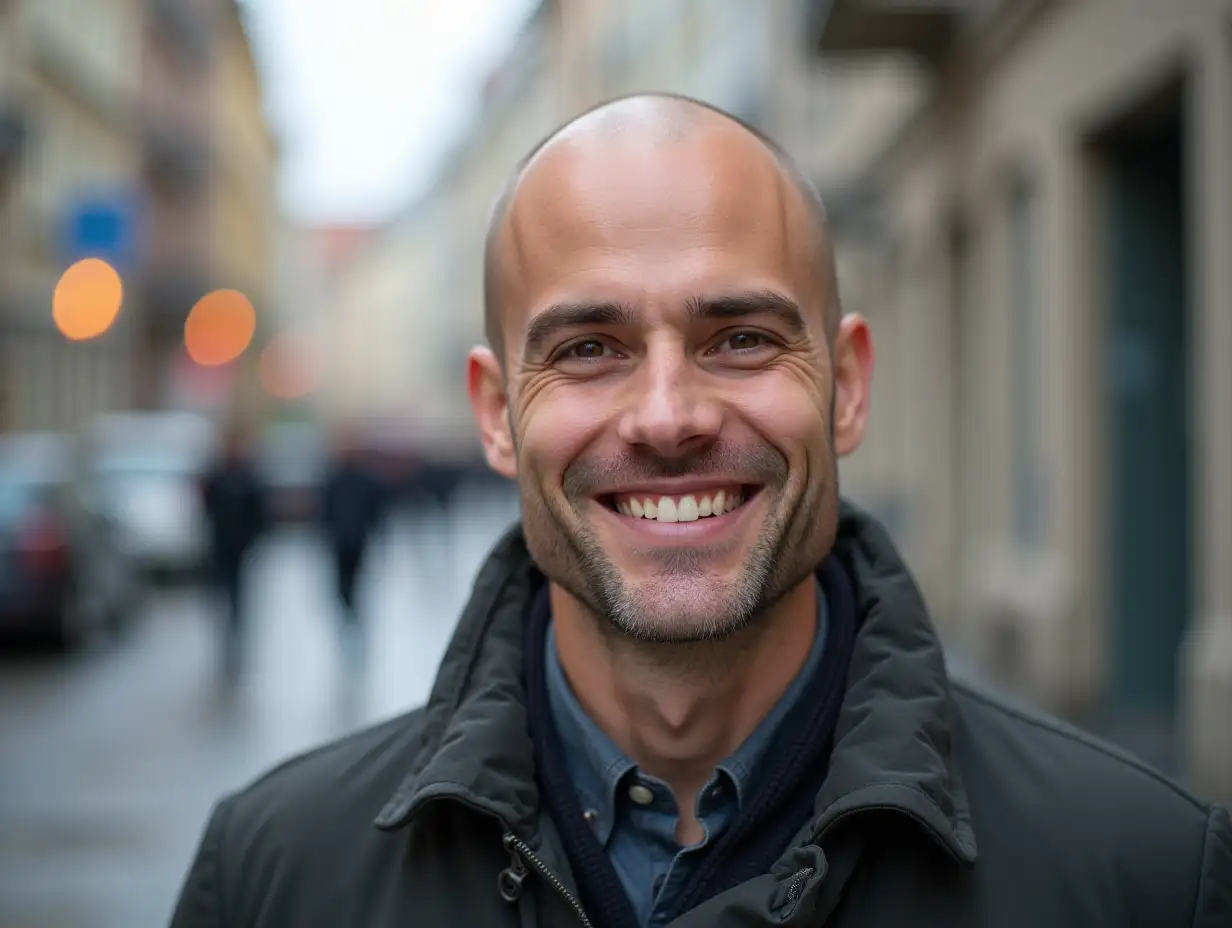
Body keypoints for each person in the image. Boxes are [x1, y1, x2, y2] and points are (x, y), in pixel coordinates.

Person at [170, 95, 1230, 927]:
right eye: (588, 349)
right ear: (495, 413)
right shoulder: (273, 875)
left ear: (846, 384)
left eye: (739, 338)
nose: (667, 416)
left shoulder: (1141, 877)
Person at [199, 424, 268, 683]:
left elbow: (260, 512)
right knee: (219, 595)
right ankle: (225, 640)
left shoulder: (249, 477)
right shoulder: (217, 476)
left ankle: (236, 638)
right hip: (220, 546)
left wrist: (254, 540)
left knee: (239, 597)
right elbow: (206, 507)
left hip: (241, 548)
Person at [319, 429, 387, 647]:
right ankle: (347, 614)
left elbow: (375, 510)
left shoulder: (365, 481)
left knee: (356, 582)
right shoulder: (333, 480)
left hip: (358, 541)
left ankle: (354, 616)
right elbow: (326, 510)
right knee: (340, 585)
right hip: (339, 541)